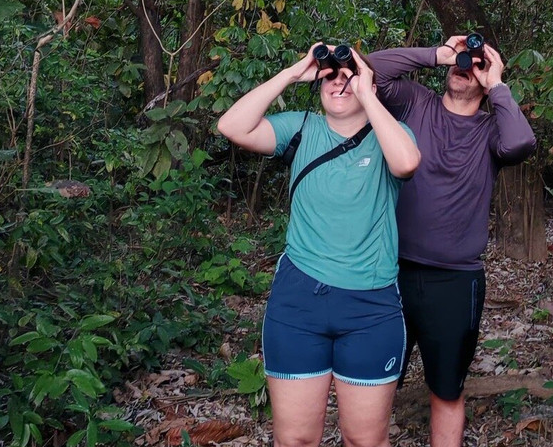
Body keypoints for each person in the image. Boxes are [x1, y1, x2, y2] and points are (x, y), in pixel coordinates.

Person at [216, 43, 421, 447]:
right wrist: (293, 72)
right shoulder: (301, 127)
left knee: (364, 440)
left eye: (349, 75)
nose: (339, 83)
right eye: (330, 76)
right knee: (295, 438)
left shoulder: (391, 134)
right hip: (298, 303)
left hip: (370, 307)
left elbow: (406, 163)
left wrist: (367, 92)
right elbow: (232, 126)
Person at [368, 35, 536, 447]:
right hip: (390, 273)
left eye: (476, 63)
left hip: (456, 282)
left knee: (446, 391)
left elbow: (520, 144)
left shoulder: (491, 131)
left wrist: (497, 84)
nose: (465, 66)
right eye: (461, 59)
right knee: (374, 388)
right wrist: (437, 54)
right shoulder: (415, 103)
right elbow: (370, 69)